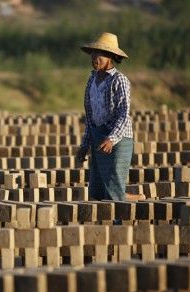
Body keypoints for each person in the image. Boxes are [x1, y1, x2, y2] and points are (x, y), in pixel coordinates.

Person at [76, 32, 144, 202]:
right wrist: (85, 145)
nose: (94, 57)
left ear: (110, 56)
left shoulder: (119, 80)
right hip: (99, 138)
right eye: (93, 53)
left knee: (114, 194)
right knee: (97, 192)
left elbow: (123, 113)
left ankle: (139, 201)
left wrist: (112, 138)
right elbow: (90, 117)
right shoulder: (91, 80)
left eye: (99, 53)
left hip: (118, 140)